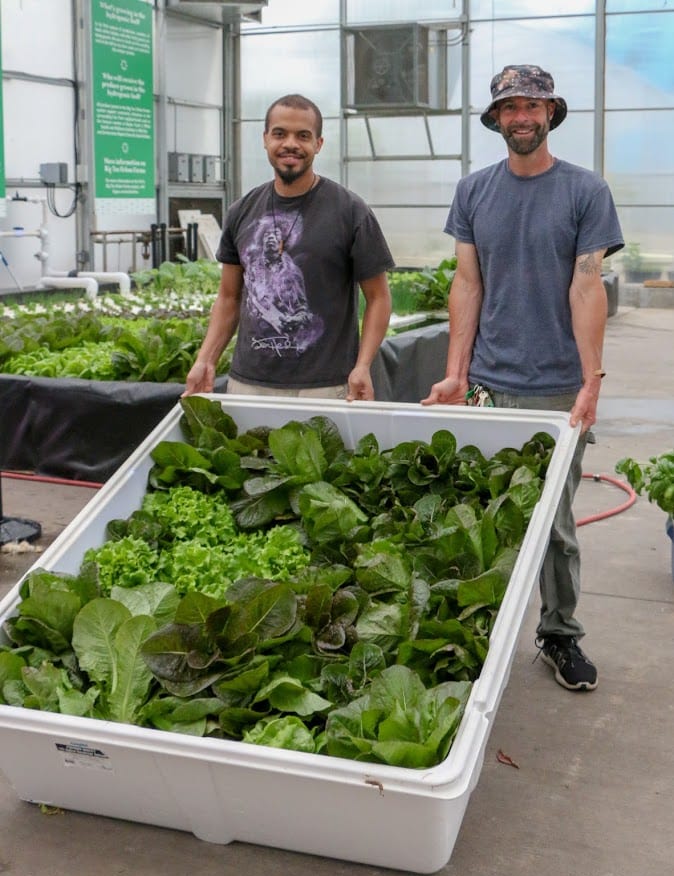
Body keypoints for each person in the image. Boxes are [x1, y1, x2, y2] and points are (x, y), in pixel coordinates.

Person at [422, 65, 624, 691]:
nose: (522, 117)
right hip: (486, 381)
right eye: (510, 107)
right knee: (481, 509)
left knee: (554, 519)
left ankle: (559, 634)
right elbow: (467, 283)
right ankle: (477, 632)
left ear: (551, 113)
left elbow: (586, 285)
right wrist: (456, 373)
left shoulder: (584, 190)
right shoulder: (474, 191)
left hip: (558, 386)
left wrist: (591, 380)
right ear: (497, 119)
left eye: (532, 105)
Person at [184, 93, 394, 401]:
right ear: (265, 139)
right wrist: (206, 359)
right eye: (280, 134)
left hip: (326, 386)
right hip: (249, 383)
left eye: (303, 136)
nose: (290, 144)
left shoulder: (349, 211)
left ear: (318, 144)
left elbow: (378, 298)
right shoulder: (242, 211)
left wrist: (362, 366)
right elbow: (229, 297)